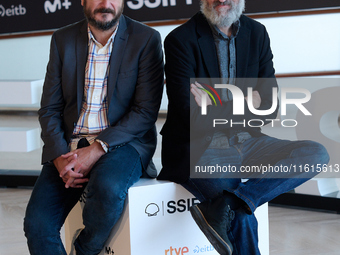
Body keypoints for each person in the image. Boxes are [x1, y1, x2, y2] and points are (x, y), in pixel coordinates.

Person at [157, 0, 329, 254]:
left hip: (248, 141)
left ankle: (230, 202)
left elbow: (270, 107)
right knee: (242, 216)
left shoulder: (256, 33)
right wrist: (248, 103)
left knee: (316, 154)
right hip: (201, 146)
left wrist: (212, 105)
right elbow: (191, 117)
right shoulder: (180, 40)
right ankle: (234, 204)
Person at [23, 0, 164, 254]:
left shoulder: (146, 39)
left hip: (123, 143)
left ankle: (85, 249)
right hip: (69, 146)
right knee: (37, 224)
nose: (105, 3)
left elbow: (145, 112)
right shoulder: (62, 40)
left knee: (108, 189)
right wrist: (58, 158)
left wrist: (98, 148)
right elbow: (49, 109)